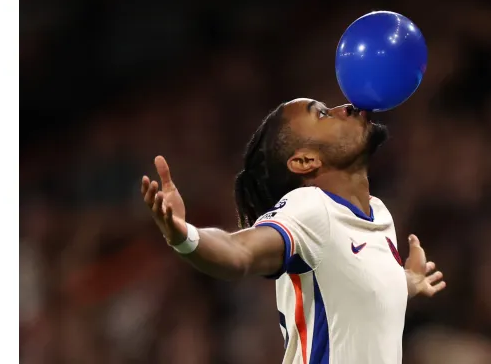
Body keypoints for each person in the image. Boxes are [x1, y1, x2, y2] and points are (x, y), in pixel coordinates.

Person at [141, 98, 446, 364]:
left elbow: (352, 287)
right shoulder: (310, 208)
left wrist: (404, 281)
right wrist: (183, 235)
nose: (344, 107)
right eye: (323, 114)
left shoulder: (378, 213)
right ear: (305, 161)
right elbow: (240, 252)